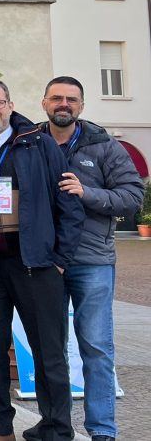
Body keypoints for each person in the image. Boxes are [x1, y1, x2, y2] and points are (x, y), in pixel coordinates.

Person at [0, 79, 85, 441]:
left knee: (49, 352)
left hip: (39, 265)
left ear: (10, 104)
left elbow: (68, 202)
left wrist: (60, 259)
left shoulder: (38, 143)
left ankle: (56, 428)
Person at [35, 76, 143, 441]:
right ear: (44, 102)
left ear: (81, 106)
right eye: (56, 98)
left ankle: (102, 431)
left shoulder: (105, 146)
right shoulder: (30, 142)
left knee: (96, 347)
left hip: (92, 261)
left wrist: (87, 193)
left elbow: (132, 197)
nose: (63, 104)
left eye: (71, 99)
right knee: (51, 350)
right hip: (47, 261)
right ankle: (57, 426)